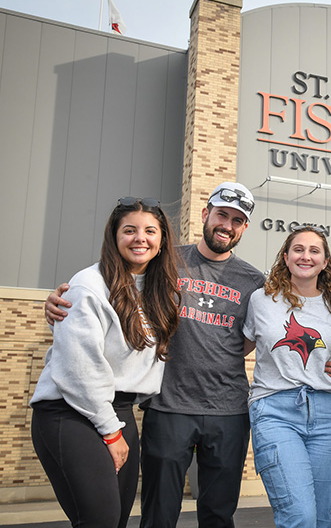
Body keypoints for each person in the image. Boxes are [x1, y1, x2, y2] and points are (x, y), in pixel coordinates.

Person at [45, 182, 265, 528]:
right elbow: (112, 284)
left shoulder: (254, 281)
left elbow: (258, 336)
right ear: (206, 214)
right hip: (168, 407)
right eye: (222, 214)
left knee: (219, 514)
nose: (227, 225)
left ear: (244, 228)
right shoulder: (165, 261)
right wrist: (59, 300)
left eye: (237, 220)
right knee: (159, 513)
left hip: (229, 410)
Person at [31, 197, 180, 528]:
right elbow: (79, 367)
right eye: (129, 230)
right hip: (71, 411)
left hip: (120, 411)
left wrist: (117, 425)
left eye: (149, 231)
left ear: (162, 240)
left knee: (117, 520)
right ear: (114, 236)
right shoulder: (88, 285)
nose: (140, 238)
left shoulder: (161, 291)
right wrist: (111, 433)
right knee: (101, 519)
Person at [243, 226, 331, 527]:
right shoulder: (261, 300)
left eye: (314, 251)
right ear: (285, 257)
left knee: (321, 519)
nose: (305, 256)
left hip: (326, 415)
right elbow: (235, 349)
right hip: (274, 410)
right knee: (299, 516)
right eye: (298, 249)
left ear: (325, 262)